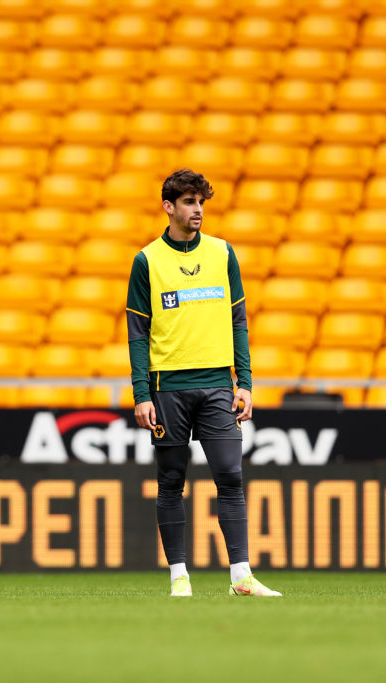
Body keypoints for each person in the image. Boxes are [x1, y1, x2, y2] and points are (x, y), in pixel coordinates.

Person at [126, 169, 281, 598]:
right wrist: (142, 394)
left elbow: (238, 320)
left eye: (201, 203)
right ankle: (179, 575)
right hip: (168, 386)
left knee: (230, 475)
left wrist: (244, 382)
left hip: (217, 384)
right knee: (172, 479)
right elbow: (138, 334)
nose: (197, 211)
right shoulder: (147, 261)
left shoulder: (222, 253)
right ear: (169, 207)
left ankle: (241, 576)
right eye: (189, 202)